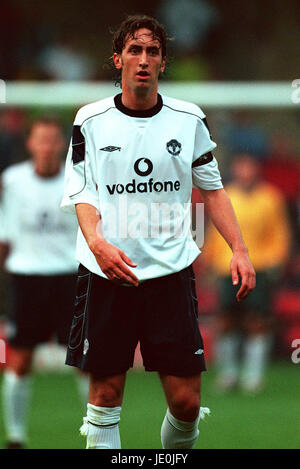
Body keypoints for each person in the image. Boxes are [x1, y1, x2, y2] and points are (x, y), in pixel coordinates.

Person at [61, 15, 255, 450]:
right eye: (134, 50)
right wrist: (98, 244)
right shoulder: (90, 120)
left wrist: (239, 249)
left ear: (163, 62)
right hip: (106, 272)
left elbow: (214, 191)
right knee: (106, 397)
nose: (143, 59)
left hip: (170, 271)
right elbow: (82, 192)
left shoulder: (188, 119)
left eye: (152, 51)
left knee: (186, 404)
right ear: (118, 60)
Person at [0, 117, 88, 449]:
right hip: (26, 278)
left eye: (53, 140)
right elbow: (4, 236)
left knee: (83, 360)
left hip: (71, 277)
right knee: (20, 360)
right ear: (30, 144)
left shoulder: (77, 180)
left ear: (62, 145)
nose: (48, 146)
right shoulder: (12, 181)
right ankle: (16, 436)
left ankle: (95, 433)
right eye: (42, 139)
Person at [202, 154, 291, 393]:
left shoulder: (270, 197)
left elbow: (280, 232)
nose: (245, 171)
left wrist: (276, 260)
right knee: (227, 319)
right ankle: (228, 374)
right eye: (241, 166)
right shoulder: (226, 194)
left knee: (257, 320)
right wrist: (210, 259)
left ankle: (253, 375)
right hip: (226, 266)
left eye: (249, 166)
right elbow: (214, 231)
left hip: (259, 266)